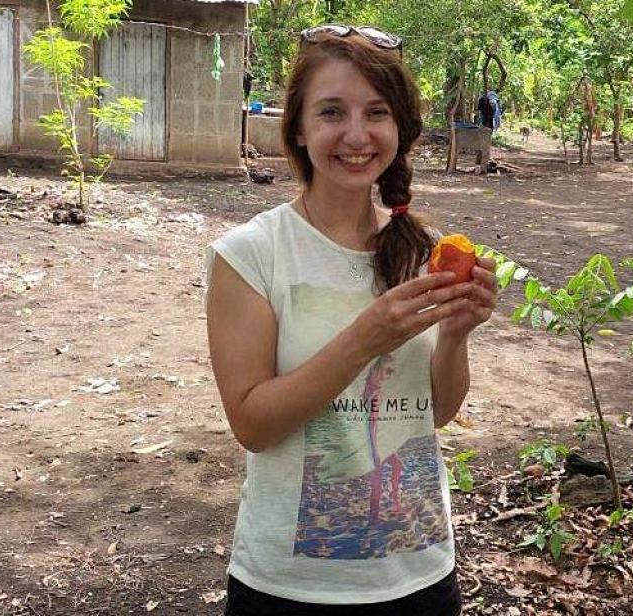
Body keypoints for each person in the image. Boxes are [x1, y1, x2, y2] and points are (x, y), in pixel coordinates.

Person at [204, 24, 498, 616]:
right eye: (332, 111)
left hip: (419, 573)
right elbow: (253, 426)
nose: (357, 135)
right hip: (288, 587)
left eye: (377, 112)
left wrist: (456, 337)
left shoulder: (421, 249)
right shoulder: (250, 254)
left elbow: (435, 412)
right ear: (299, 128)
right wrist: (365, 339)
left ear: (400, 128)